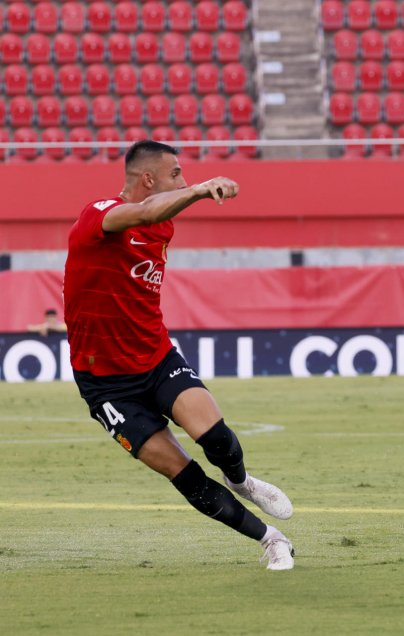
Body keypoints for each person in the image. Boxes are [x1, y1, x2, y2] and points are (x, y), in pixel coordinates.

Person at [63, 141, 295, 570]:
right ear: (148, 179)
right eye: (176, 174)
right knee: (182, 473)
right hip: (107, 385)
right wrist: (202, 189)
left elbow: (156, 214)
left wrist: (188, 193)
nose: (183, 181)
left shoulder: (164, 226)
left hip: (156, 358)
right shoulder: (98, 215)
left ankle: (242, 481)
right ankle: (272, 540)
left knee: (216, 438)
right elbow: (144, 212)